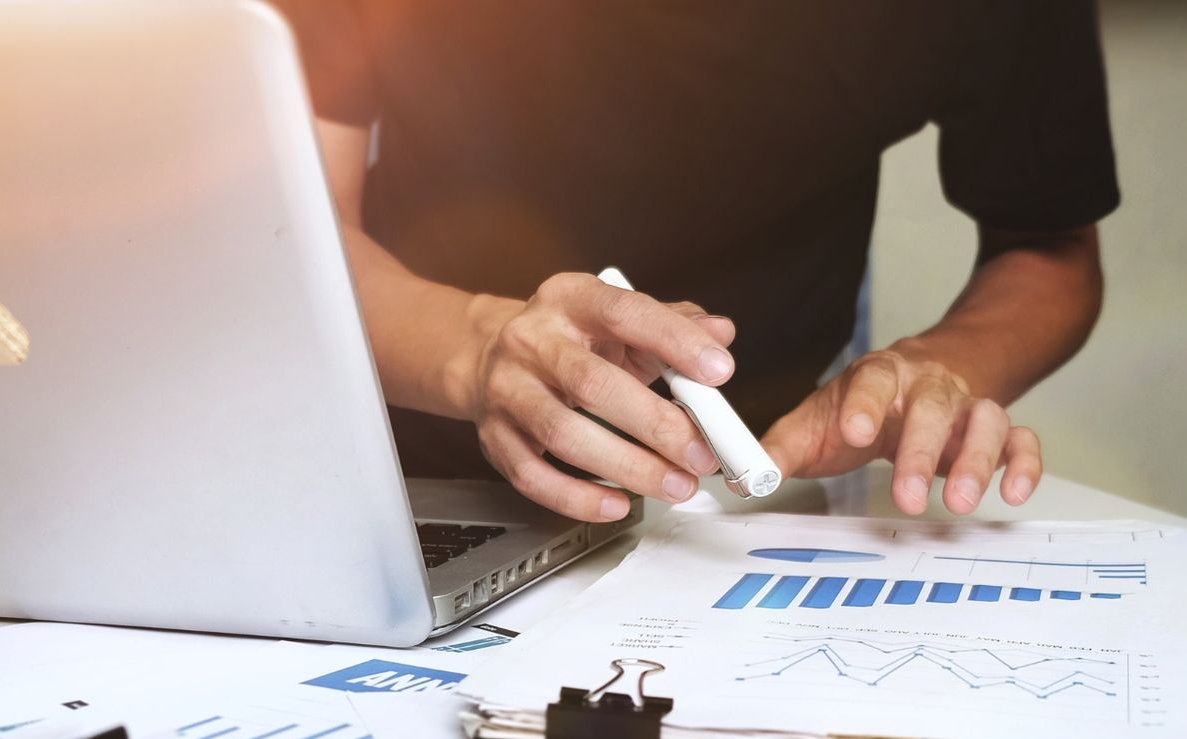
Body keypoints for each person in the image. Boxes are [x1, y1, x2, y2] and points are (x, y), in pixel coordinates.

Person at [276, 0, 1118, 521]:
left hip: (759, 494)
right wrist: (476, 347)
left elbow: (1049, 248)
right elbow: (297, 235)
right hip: (403, 458)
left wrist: (936, 368)